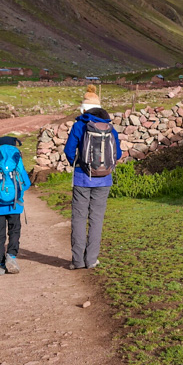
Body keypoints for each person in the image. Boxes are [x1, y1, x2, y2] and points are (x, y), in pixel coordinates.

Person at [63, 106, 121, 270]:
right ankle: (91, 259)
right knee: (97, 220)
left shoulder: (80, 125)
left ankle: (78, 261)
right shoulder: (110, 128)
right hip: (104, 180)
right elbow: (119, 153)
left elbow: (68, 150)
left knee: (79, 219)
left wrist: (75, 163)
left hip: (82, 178)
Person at [0, 138, 31, 275]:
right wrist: (16, 193)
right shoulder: (17, 161)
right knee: (14, 231)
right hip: (15, 205)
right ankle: (11, 255)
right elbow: (26, 184)